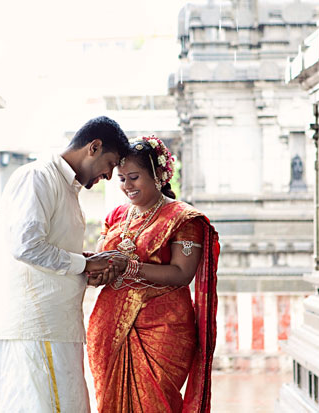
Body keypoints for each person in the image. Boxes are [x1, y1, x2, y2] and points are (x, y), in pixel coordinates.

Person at [0, 116, 129, 412]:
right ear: (94, 147)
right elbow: (26, 246)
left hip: (55, 327)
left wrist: (89, 263)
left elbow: (55, 250)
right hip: (37, 329)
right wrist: (83, 264)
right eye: (111, 163)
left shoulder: (67, 187)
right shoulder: (38, 177)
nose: (108, 175)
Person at [86, 136, 220, 412]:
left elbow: (183, 274)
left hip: (161, 327)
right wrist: (97, 272)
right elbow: (103, 259)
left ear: (159, 174)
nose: (126, 186)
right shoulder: (115, 216)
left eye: (133, 177)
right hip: (110, 326)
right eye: (121, 179)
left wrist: (129, 266)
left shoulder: (182, 218)